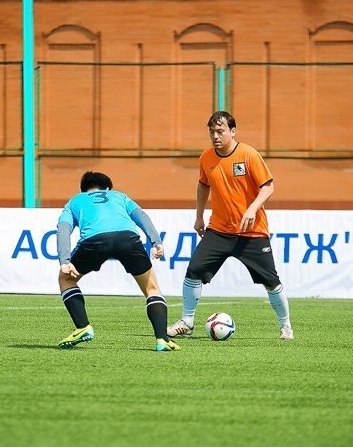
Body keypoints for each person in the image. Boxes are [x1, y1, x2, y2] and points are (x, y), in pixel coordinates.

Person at [168, 110, 293, 340]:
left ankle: (286, 326)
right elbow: (203, 185)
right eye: (212, 132)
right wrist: (199, 217)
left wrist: (252, 209)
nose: (215, 136)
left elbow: (268, 187)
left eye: (220, 131)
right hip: (219, 230)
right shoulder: (206, 158)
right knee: (194, 270)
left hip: (252, 232)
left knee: (271, 281)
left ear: (233, 131)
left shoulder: (248, 154)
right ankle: (187, 322)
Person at [56, 171, 180, 352]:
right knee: (152, 289)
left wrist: (64, 260)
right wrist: (156, 241)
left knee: (66, 279)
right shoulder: (119, 196)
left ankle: (82, 327)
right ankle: (162, 339)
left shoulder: (75, 201)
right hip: (127, 238)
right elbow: (141, 216)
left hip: (94, 241)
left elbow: (63, 228)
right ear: (107, 188)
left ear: (83, 190)